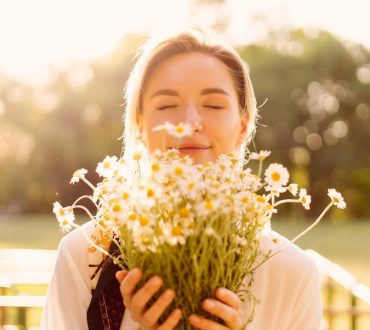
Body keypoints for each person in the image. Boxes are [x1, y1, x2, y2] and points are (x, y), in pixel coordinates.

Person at [41, 27, 323, 330]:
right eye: (166, 105)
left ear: (242, 126)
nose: (189, 123)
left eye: (213, 105)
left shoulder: (292, 273)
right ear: (139, 124)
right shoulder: (88, 256)